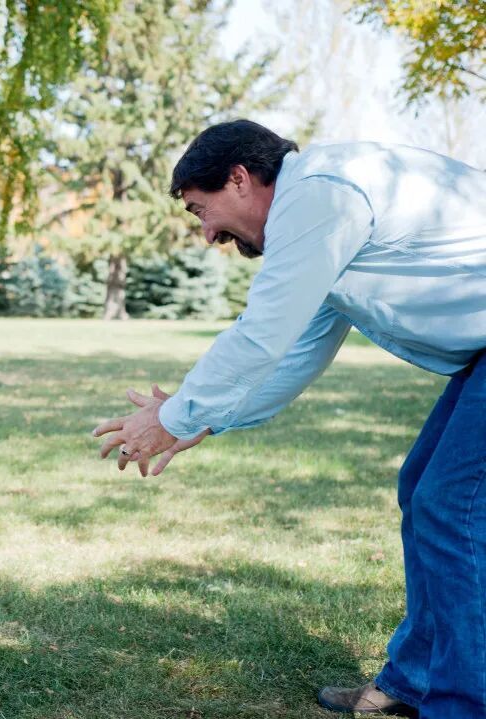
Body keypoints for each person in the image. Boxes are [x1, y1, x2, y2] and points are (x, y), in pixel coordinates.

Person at [93, 119, 486, 718]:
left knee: (450, 505)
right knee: (423, 490)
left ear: (239, 178)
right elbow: (295, 355)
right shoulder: (319, 219)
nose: (207, 232)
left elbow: (261, 335)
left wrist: (173, 415)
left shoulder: (319, 196)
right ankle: (415, 681)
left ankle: (461, 706)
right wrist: (204, 421)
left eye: (202, 209)